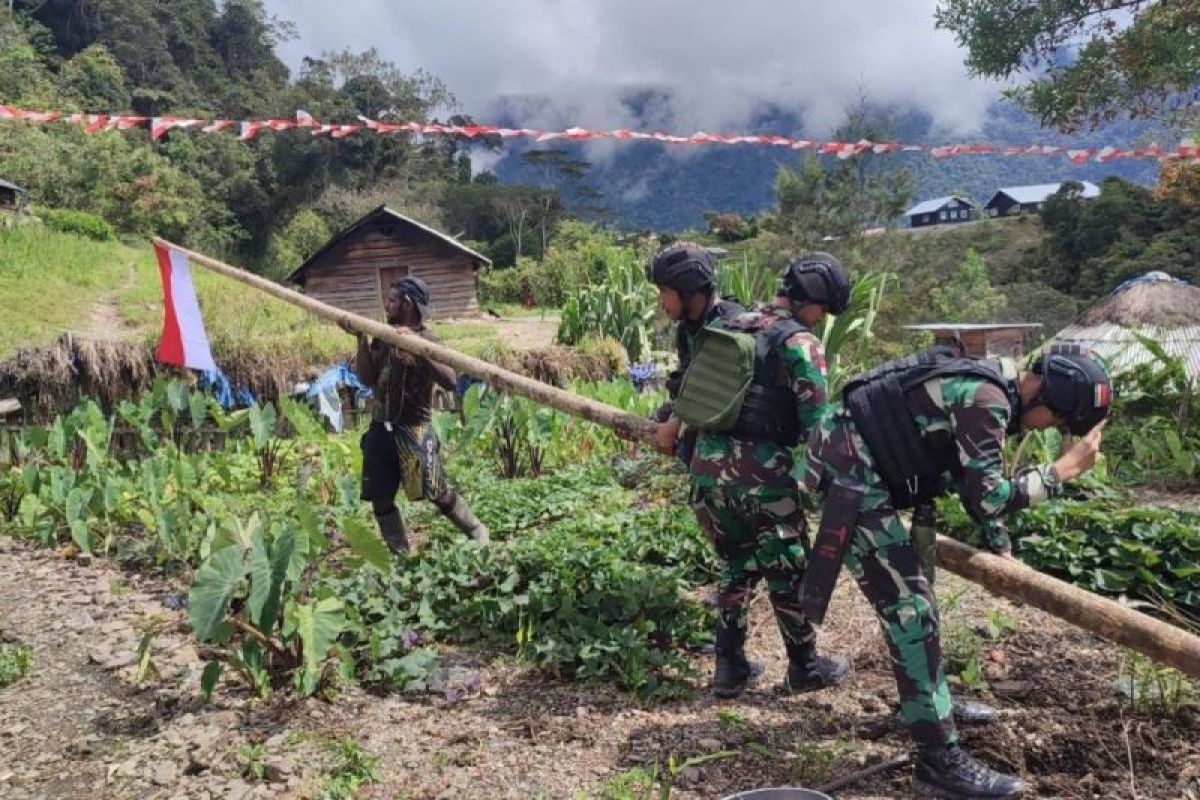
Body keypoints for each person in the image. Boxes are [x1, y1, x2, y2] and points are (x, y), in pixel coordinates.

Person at [800, 343, 1112, 799]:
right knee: (912, 611)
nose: (1055, 428)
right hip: (849, 476)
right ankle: (939, 764)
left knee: (916, 603)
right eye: (1061, 420)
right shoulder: (987, 399)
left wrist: (1000, 544)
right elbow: (987, 495)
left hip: (862, 464)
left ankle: (929, 706)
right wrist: (1060, 472)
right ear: (1046, 396)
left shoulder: (991, 389)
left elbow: (973, 479)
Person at [651, 250, 851, 698]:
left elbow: (690, 394)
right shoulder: (800, 344)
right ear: (812, 301)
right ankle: (805, 667)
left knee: (735, 566)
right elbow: (816, 425)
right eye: (824, 309)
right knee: (785, 571)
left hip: (706, 471)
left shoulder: (728, 325)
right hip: (765, 479)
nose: (822, 319)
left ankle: (729, 669)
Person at [340, 276, 490, 552]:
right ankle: (401, 555)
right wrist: (361, 339)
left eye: (392, 300)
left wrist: (418, 351)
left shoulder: (428, 340)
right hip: (380, 426)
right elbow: (366, 378)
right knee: (380, 497)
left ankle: (476, 529)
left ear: (407, 304)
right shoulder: (383, 337)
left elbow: (450, 381)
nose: (387, 305)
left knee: (436, 492)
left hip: (414, 426)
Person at [646, 241, 743, 465]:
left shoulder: (730, 329)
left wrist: (675, 425)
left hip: (734, 467)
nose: (660, 302)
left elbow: (712, 397)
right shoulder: (687, 330)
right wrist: (652, 421)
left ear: (687, 289)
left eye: (664, 291)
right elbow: (687, 391)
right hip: (703, 465)